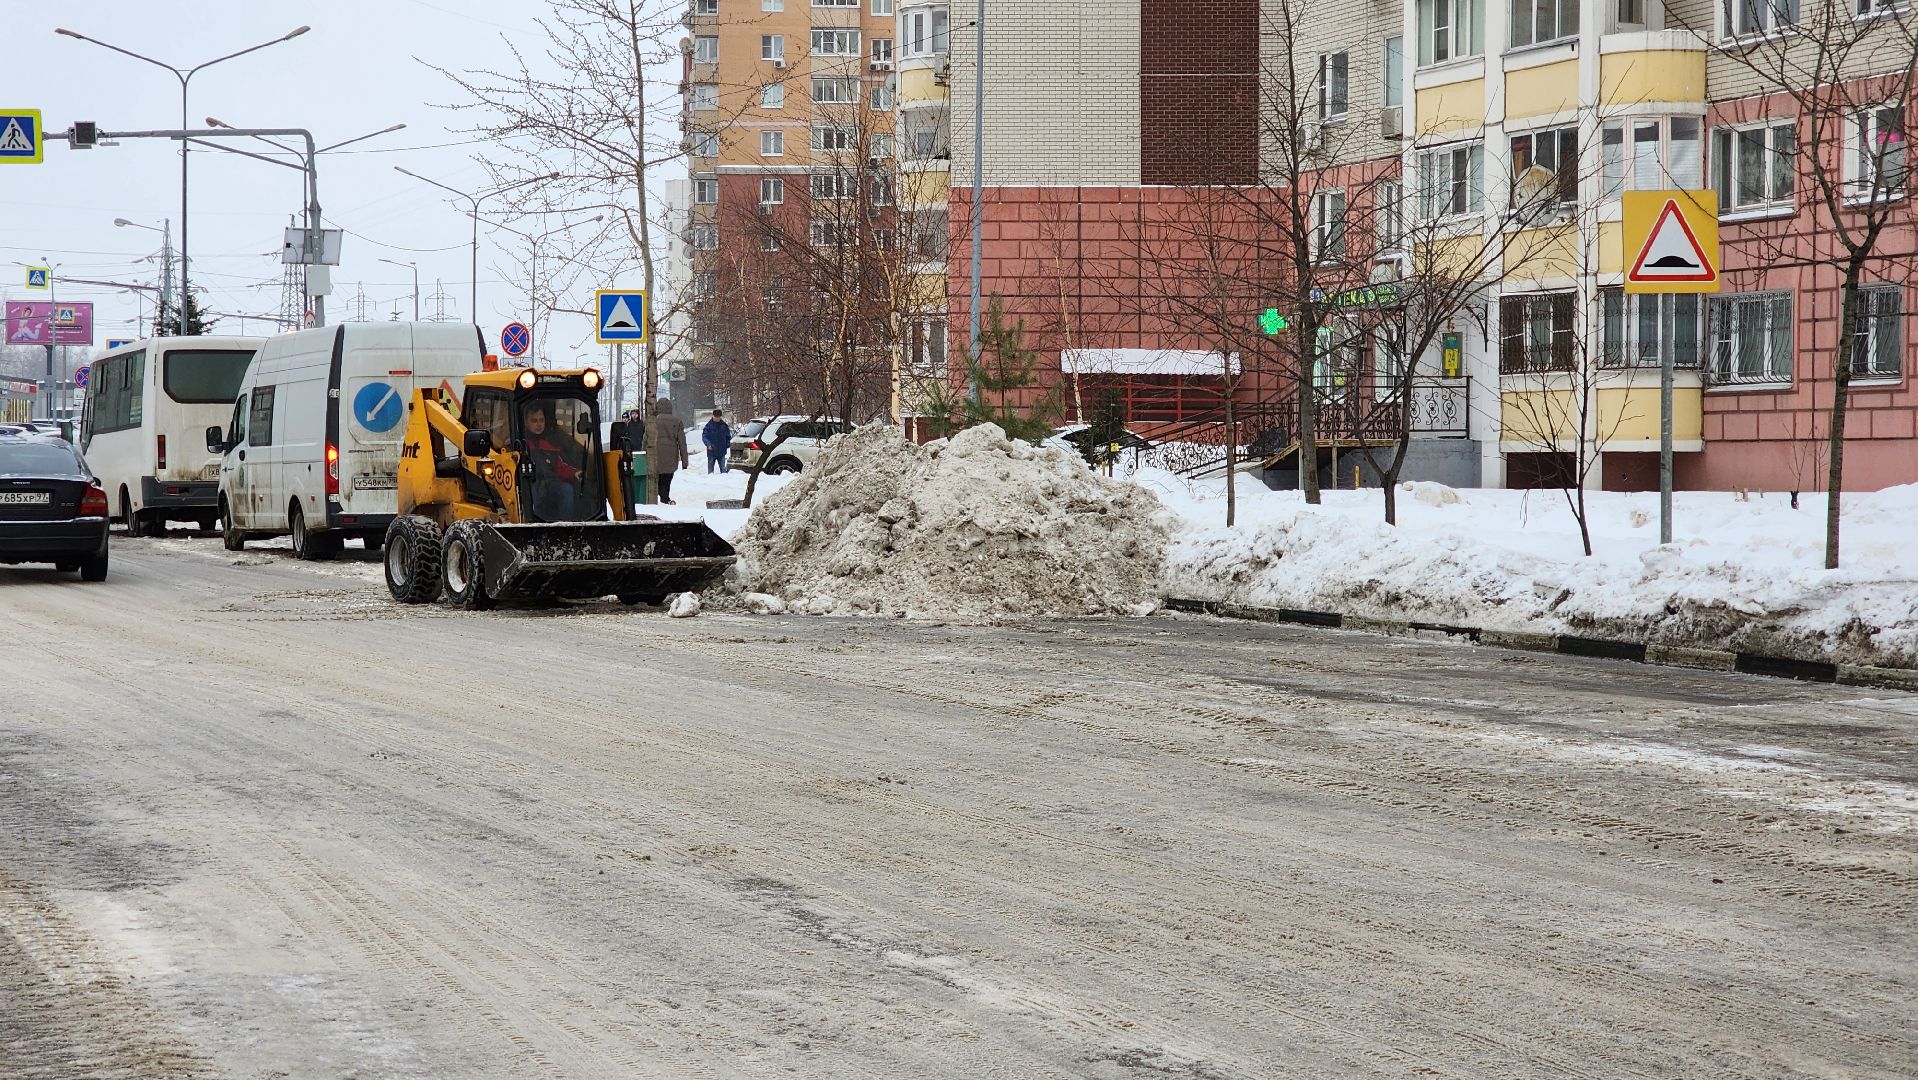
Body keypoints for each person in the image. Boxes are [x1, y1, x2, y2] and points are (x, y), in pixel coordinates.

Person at [521, 402, 585, 521]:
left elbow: (560, 467)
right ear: (526, 422)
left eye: (541, 420)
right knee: (533, 494)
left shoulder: (549, 445)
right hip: (531, 483)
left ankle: (565, 525)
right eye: (534, 421)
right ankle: (533, 525)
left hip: (551, 483)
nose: (538, 424)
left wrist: (574, 473)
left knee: (567, 490)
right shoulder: (521, 445)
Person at [642, 397, 689, 505]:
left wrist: (643, 455)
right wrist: (684, 461)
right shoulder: (677, 422)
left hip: (655, 456)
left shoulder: (652, 421)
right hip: (671, 457)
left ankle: (663, 499)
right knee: (666, 480)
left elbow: (645, 440)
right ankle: (665, 499)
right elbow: (682, 443)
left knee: (657, 480)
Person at [701, 409, 733, 474]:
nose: (717, 419)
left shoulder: (724, 426)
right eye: (716, 417)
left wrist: (727, 445)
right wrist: (708, 444)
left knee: (723, 471)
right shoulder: (708, 426)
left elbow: (728, 436)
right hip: (711, 451)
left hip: (721, 451)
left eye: (719, 417)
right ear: (713, 416)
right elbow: (704, 436)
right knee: (710, 472)